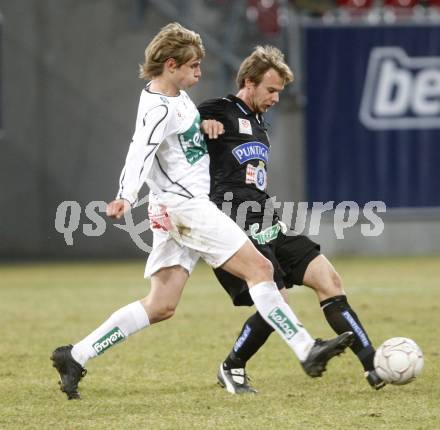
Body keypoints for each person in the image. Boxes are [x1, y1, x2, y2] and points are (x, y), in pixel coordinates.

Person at [50, 23, 353, 400]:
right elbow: (140, 150)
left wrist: (203, 125)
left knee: (161, 305)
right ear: (172, 64)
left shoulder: (175, 97)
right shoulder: (158, 107)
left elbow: (181, 140)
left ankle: (75, 355)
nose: (199, 73)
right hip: (185, 209)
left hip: (172, 209)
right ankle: (307, 349)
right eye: (194, 66)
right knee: (261, 269)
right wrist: (125, 195)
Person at [198, 45, 385, 394]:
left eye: (279, 92)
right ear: (249, 82)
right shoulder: (217, 110)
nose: (275, 98)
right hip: (232, 221)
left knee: (328, 278)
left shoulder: (258, 124)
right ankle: (232, 366)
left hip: (267, 217)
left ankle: (374, 365)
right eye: (271, 90)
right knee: (277, 300)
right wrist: (199, 123)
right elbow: (178, 132)